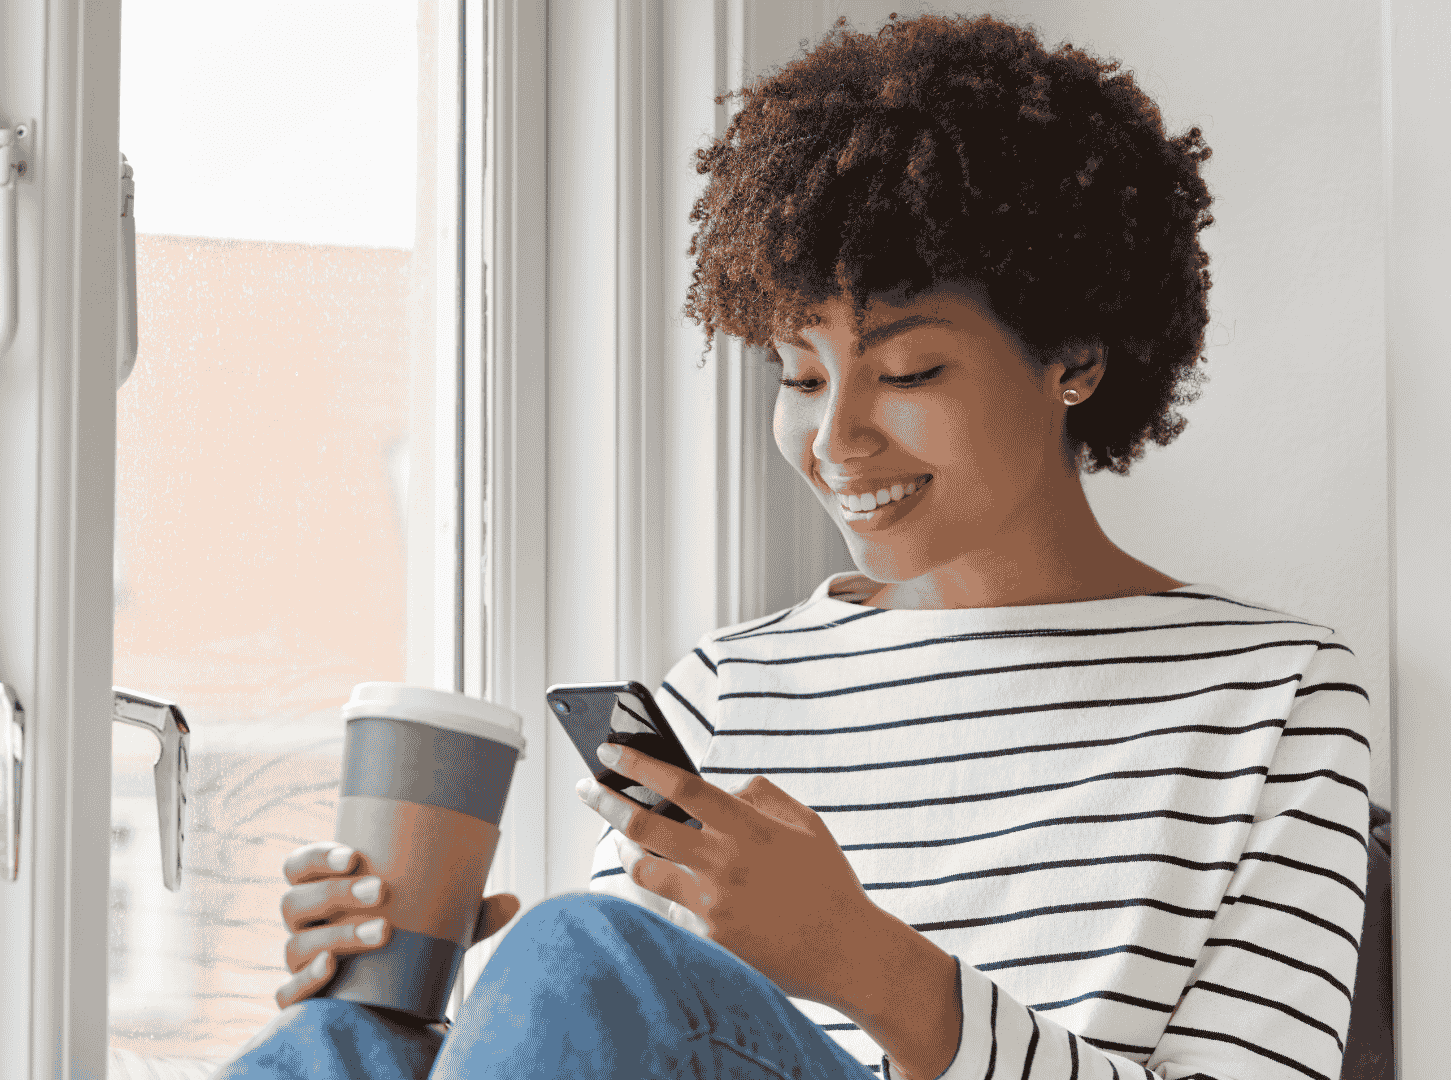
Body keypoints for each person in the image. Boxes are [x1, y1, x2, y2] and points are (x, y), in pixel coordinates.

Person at [221, 12, 1370, 1080]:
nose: (836, 440)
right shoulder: (728, 688)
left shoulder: (1273, 697)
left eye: (910, 372)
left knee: (583, 951)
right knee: (339, 1039)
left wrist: (864, 962)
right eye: (800, 375)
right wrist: (426, 999)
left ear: (1074, 359)